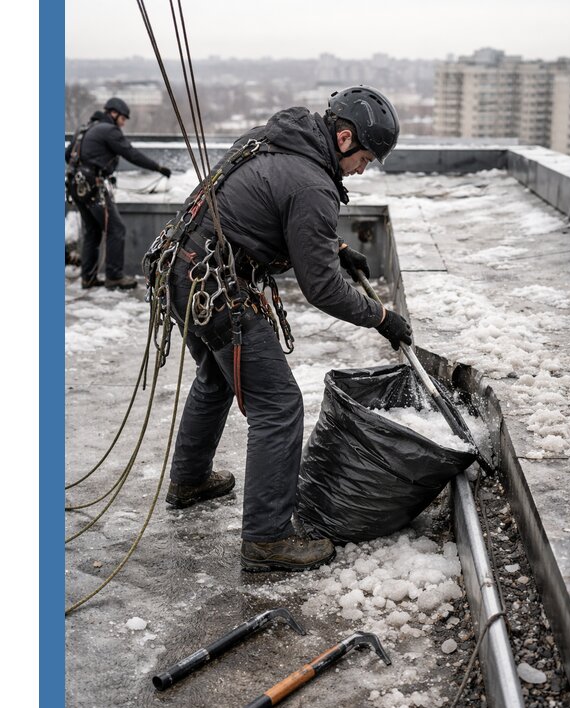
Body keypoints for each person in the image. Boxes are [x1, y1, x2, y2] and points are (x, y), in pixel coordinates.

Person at [163, 85, 412, 572]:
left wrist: (337, 249)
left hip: (183, 270)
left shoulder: (280, 138)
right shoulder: (313, 184)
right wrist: (381, 317)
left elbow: (271, 208)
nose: (364, 168)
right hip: (215, 286)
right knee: (278, 405)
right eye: (365, 157)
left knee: (216, 379)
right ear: (343, 138)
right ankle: (267, 539)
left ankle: (189, 481)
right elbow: (321, 289)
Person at [65, 97, 172, 290]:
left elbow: (67, 155)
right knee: (116, 229)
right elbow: (131, 154)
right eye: (123, 118)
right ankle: (114, 277)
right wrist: (158, 167)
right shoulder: (109, 130)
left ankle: (87, 278)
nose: (123, 123)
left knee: (93, 231)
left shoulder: (84, 129)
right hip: (92, 185)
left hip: (76, 185)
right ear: (113, 113)